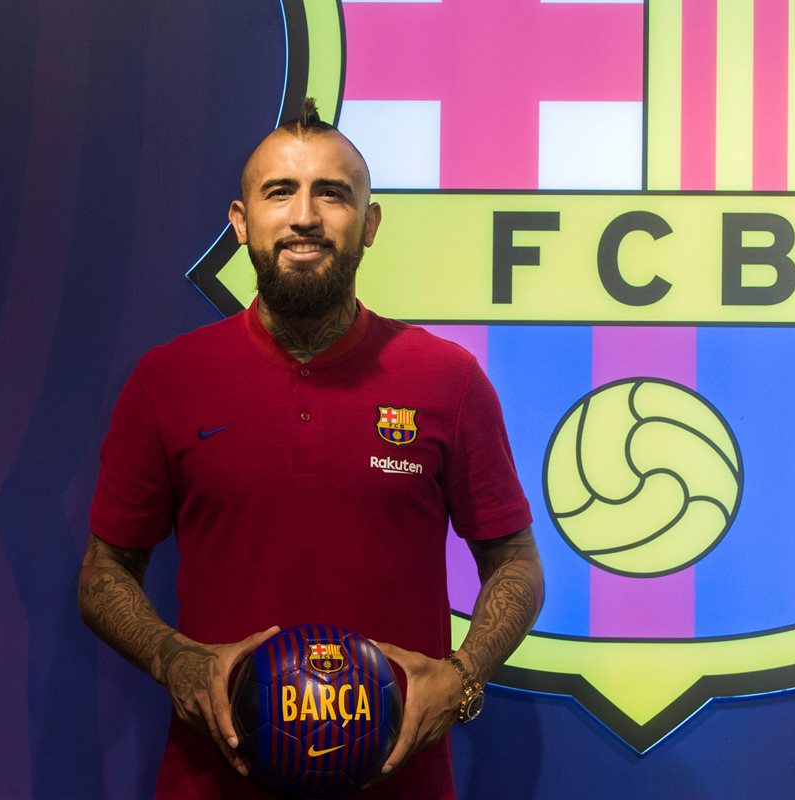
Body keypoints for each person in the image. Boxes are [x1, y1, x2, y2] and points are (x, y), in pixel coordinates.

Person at [77, 98, 545, 799]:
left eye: (332, 193)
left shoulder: (447, 379)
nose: (304, 216)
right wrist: (172, 658)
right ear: (241, 223)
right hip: (213, 783)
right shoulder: (166, 380)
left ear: (370, 223)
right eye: (280, 192)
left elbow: (515, 564)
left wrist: (463, 675)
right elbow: (103, 573)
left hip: (400, 784)